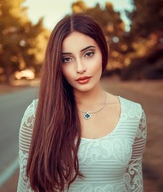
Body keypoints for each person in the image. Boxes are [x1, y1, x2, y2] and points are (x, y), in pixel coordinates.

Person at [17, 13, 147, 192]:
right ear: (58, 64)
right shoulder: (37, 113)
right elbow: (26, 186)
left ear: (103, 52)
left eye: (89, 54)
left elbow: (134, 184)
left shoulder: (133, 114)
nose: (80, 68)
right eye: (67, 59)